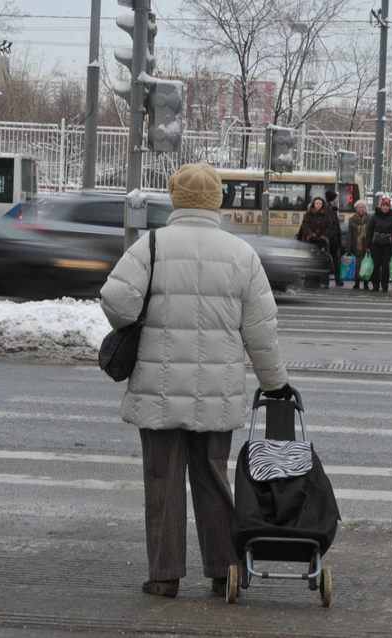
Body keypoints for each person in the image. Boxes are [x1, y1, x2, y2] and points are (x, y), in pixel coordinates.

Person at [99, 162, 291, 600]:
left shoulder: (151, 246)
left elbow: (117, 302)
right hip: (216, 393)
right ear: (217, 200)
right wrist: (275, 384)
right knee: (212, 478)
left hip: (158, 388)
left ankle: (164, 575)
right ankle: (225, 571)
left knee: (162, 481)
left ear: (175, 197)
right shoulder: (241, 254)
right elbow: (261, 330)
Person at [300, 197, 333, 288]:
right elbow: (305, 226)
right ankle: (309, 281)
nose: (318, 205)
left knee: (324, 263)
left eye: (320, 203)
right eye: (316, 203)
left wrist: (324, 237)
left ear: (322, 205)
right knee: (310, 262)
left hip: (323, 243)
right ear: (313, 204)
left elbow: (329, 227)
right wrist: (311, 236)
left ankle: (325, 282)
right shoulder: (308, 214)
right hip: (310, 242)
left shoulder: (327, 215)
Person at [367, 196, 392, 293]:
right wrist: (368, 246)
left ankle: (385, 286)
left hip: (387, 245)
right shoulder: (374, 217)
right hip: (376, 244)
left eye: (387, 206)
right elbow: (369, 232)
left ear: (389, 207)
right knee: (376, 265)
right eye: (383, 205)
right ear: (381, 206)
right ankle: (375, 285)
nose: (385, 207)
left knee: (385, 266)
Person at [347, 200, 371, 290]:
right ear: (356, 208)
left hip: (366, 246)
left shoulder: (369, 219)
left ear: (365, 209)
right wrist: (348, 247)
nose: (361, 209)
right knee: (356, 265)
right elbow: (350, 234)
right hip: (356, 246)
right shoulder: (352, 219)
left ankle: (366, 283)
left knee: (366, 265)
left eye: (362, 207)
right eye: (359, 207)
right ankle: (356, 282)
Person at [325, 191, 344, 287]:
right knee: (329, 260)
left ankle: (337, 280)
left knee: (336, 261)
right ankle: (327, 281)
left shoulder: (333, 209)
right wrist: (332, 236)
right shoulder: (328, 210)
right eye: (336, 198)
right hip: (330, 240)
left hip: (334, 239)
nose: (337, 199)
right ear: (332, 199)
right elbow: (330, 225)